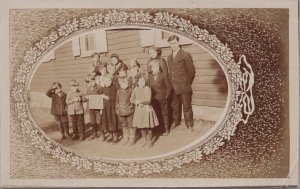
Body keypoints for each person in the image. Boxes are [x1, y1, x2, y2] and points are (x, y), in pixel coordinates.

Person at [167, 35, 196, 132]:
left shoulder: (185, 54)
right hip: (173, 87)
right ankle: (176, 122)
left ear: (178, 43)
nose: (172, 45)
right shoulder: (169, 57)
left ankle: (189, 125)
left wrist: (187, 83)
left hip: (184, 86)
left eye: (174, 43)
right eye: (171, 43)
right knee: (175, 106)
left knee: (187, 107)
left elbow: (192, 71)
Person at [130, 74, 159, 147]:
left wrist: (139, 101)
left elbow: (148, 100)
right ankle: (145, 140)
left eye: (143, 81)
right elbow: (131, 99)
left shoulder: (147, 88)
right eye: (140, 81)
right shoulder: (135, 89)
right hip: (139, 110)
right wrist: (135, 102)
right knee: (141, 126)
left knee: (148, 126)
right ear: (138, 82)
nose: (142, 82)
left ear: (145, 81)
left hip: (147, 110)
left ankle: (149, 142)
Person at [147, 60, 171, 136]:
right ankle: (157, 128)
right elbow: (148, 86)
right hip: (153, 98)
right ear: (151, 68)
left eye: (156, 67)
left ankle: (166, 129)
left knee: (164, 113)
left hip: (162, 97)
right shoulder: (149, 76)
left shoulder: (163, 75)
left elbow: (168, 87)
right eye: (153, 67)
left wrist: (166, 95)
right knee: (155, 113)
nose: (155, 68)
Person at [116, 76, 135, 145]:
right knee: (124, 125)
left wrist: (132, 106)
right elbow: (117, 102)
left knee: (130, 125)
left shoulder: (131, 90)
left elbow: (133, 100)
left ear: (128, 82)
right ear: (120, 83)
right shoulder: (118, 91)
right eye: (122, 82)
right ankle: (125, 138)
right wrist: (117, 109)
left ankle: (131, 138)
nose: (124, 84)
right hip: (121, 112)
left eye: (125, 82)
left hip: (129, 111)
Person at [84, 75, 104, 140]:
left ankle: (102, 133)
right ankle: (95, 133)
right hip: (90, 107)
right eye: (89, 82)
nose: (91, 83)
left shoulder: (99, 87)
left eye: (92, 81)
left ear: (94, 81)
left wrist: (101, 107)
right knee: (92, 121)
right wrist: (85, 98)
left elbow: (102, 96)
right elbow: (84, 98)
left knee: (99, 121)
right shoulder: (87, 88)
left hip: (97, 107)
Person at [101, 74, 118, 143]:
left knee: (113, 120)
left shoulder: (113, 88)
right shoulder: (103, 88)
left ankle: (115, 136)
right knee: (107, 121)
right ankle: (110, 135)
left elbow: (115, 97)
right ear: (104, 82)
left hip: (112, 107)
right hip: (105, 108)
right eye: (106, 81)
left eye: (109, 80)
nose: (108, 82)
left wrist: (107, 97)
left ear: (111, 81)